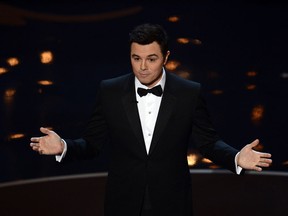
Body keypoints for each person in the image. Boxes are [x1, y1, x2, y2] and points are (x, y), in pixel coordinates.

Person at [30, 23, 272, 216]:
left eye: (151, 59)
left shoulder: (189, 92)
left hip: (172, 203)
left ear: (166, 57)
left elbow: (208, 143)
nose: (143, 67)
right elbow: (92, 144)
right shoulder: (110, 90)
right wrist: (64, 147)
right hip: (122, 203)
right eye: (136, 58)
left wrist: (237, 158)